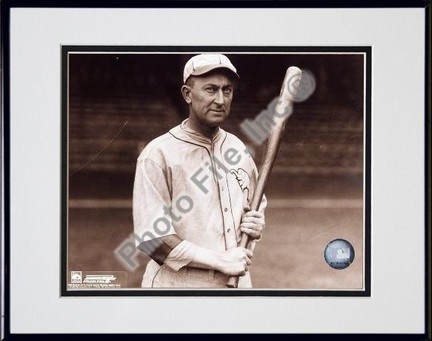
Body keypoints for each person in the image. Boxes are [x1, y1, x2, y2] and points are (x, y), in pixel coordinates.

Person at [133, 54, 267, 288]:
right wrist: (220, 261)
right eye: (210, 89)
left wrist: (255, 222)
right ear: (187, 94)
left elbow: (255, 203)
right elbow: (152, 239)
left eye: (227, 90)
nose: (220, 99)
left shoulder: (238, 149)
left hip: (238, 281)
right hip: (179, 285)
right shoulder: (158, 154)